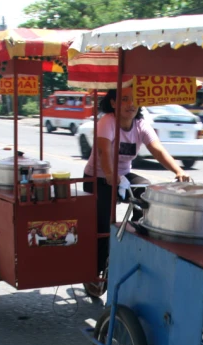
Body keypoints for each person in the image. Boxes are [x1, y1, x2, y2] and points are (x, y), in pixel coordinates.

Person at [83, 88, 192, 285]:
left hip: (123, 176)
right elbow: (103, 151)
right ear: (114, 103)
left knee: (147, 192)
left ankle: (135, 234)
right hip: (98, 178)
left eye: (134, 100)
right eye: (124, 99)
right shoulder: (107, 121)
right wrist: (109, 174)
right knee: (103, 226)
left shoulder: (141, 125)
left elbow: (157, 149)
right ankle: (96, 271)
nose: (130, 104)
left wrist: (178, 170)